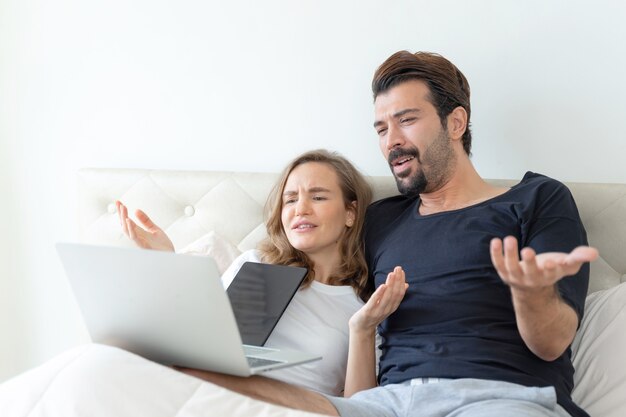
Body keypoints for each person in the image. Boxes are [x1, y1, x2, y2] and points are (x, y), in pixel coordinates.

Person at [176, 51, 599, 417]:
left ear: (456, 122)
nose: (391, 141)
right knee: (191, 373)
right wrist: (173, 265)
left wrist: (531, 294)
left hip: (497, 397)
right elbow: (302, 250)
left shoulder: (535, 199)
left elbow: (552, 344)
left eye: (406, 120)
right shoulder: (379, 220)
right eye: (381, 129)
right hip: (384, 405)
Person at [116, 149, 407, 397]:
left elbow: (360, 408)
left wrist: (362, 329)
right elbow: (192, 349)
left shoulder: (364, 307)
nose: (300, 209)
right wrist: (168, 263)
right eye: (290, 199)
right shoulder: (257, 266)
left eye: (317, 197)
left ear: (350, 213)